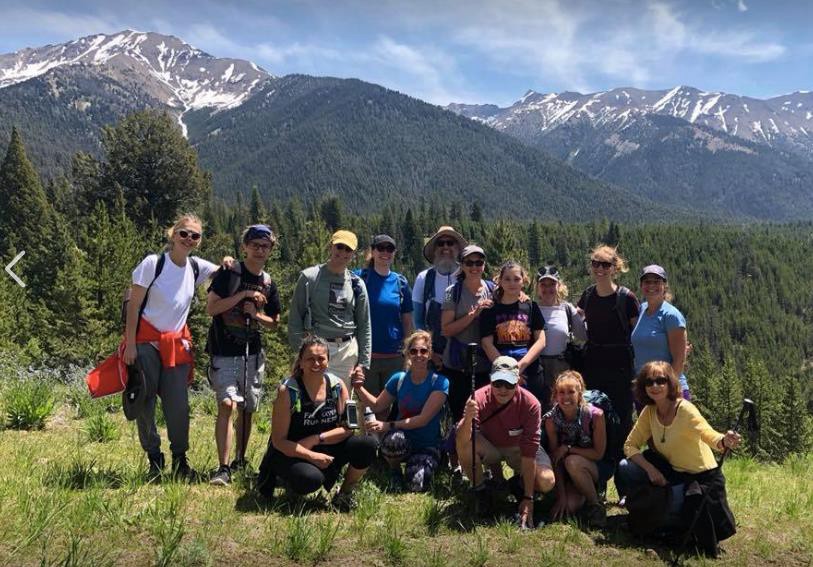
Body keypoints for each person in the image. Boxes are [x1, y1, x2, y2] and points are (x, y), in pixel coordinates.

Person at [122, 213, 227, 479]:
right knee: (144, 403)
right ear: (173, 234)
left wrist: (227, 262)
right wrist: (131, 344)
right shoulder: (152, 264)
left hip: (175, 346)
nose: (189, 239)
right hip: (145, 342)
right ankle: (154, 459)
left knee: (178, 406)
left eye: (195, 236)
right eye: (184, 234)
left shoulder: (195, 267)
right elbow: (133, 305)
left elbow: (222, 270)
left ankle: (180, 460)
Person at [615, 361, 740, 554]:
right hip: (673, 473)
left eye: (661, 380)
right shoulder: (649, 412)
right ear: (643, 386)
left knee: (665, 505)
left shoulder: (685, 409)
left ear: (670, 383)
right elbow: (629, 445)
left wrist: (724, 441)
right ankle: (647, 513)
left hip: (701, 479)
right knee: (625, 468)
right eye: (649, 382)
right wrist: (651, 470)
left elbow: (708, 434)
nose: (655, 386)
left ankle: (662, 521)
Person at [258, 336, 378, 509]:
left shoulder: (338, 386)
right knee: (310, 480)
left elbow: (350, 428)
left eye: (321, 358)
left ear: (328, 361)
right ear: (300, 363)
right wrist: (311, 456)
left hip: (325, 446)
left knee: (367, 444)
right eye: (310, 359)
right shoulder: (288, 391)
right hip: (292, 451)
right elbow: (279, 441)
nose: (316, 363)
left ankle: (344, 494)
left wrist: (316, 439)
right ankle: (286, 481)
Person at [206, 225, 281, 486]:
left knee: (248, 409)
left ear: (271, 249)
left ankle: (240, 459)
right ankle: (223, 466)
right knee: (227, 404)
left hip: (252, 352)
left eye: (265, 246)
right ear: (245, 246)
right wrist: (244, 295)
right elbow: (211, 308)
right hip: (224, 350)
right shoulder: (230, 273)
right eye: (255, 245)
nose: (260, 250)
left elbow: (274, 322)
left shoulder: (269, 282)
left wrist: (256, 314)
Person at [456, 356, 555, 529]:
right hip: (491, 447)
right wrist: (467, 419)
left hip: (519, 449)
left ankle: (518, 485)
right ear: (490, 380)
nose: (502, 389)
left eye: (509, 384)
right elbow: (461, 441)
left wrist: (528, 498)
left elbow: (530, 451)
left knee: (547, 481)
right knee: (465, 443)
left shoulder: (531, 404)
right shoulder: (476, 398)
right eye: (498, 383)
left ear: (518, 381)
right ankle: (480, 491)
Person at [352, 331, 449, 492]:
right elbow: (377, 405)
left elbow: (422, 420)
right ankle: (395, 470)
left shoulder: (440, 382)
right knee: (392, 440)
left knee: (416, 485)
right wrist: (358, 388)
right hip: (402, 440)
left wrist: (387, 425)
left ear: (430, 354)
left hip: (427, 444)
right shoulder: (399, 379)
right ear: (407, 354)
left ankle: (428, 462)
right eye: (414, 351)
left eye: (423, 351)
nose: (419, 355)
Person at [288, 230, 371, 386]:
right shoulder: (309, 278)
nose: (343, 252)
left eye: (348, 249)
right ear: (331, 247)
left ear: (353, 254)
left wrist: (363, 362)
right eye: (339, 247)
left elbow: (364, 325)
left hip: (347, 352)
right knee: (314, 400)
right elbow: (295, 319)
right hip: (316, 351)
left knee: (342, 403)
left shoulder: (357, 284)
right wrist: (301, 354)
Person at [577, 244, 640, 444]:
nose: (600, 269)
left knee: (622, 411)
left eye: (605, 265)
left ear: (615, 268)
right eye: (596, 264)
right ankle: (599, 454)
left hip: (620, 365)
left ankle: (622, 456)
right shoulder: (587, 296)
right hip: (594, 363)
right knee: (594, 410)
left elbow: (637, 333)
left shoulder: (627, 298)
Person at [544, 371, 611, 528]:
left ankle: (595, 506)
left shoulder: (595, 415)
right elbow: (556, 460)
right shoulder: (551, 420)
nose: (566, 397)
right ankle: (584, 494)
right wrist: (561, 496)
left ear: (580, 394)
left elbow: (598, 453)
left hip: (596, 466)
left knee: (572, 461)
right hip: (568, 472)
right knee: (567, 507)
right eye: (561, 392)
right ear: (555, 395)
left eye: (571, 392)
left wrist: (568, 449)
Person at [353, 234, 414, 398]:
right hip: (366, 358)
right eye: (380, 248)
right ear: (372, 252)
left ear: (394, 253)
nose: (385, 252)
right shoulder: (359, 278)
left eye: (390, 249)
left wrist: (408, 354)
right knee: (367, 410)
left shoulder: (400, 282)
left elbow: (407, 321)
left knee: (392, 407)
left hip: (394, 357)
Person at [440, 245, 494, 422]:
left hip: (485, 364)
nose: (474, 267)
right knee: (459, 415)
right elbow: (446, 329)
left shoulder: (493, 290)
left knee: (484, 415)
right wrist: (473, 314)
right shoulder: (452, 293)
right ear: (462, 265)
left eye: (479, 262)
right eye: (469, 263)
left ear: (484, 265)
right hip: (458, 365)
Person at [480, 261, 547, 403]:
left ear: (524, 281)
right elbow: (487, 344)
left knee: (531, 413)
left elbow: (541, 341)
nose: (512, 283)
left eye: (517, 279)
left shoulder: (531, 307)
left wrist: (520, 366)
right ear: (500, 281)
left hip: (530, 371)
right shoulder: (490, 309)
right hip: (500, 373)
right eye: (507, 279)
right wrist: (507, 371)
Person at [631, 264, 690, 400]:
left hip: (669, 391)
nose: (651, 286)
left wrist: (667, 390)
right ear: (641, 285)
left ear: (664, 285)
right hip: (645, 388)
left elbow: (679, 360)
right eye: (647, 282)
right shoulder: (641, 310)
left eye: (656, 282)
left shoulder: (671, 316)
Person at [412, 226, 468, 368]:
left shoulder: (468, 275)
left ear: (458, 248)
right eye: (440, 243)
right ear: (435, 249)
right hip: (432, 356)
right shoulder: (423, 278)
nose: (445, 247)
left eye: (450, 243)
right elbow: (417, 321)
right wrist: (430, 353)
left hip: (463, 354)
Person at [536, 266, 587, 410]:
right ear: (537, 287)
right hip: (538, 367)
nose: (548, 289)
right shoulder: (532, 309)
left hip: (562, 365)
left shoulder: (567, 309)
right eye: (543, 285)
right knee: (541, 406)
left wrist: (586, 316)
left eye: (552, 284)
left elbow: (582, 335)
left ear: (559, 285)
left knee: (563, 406)